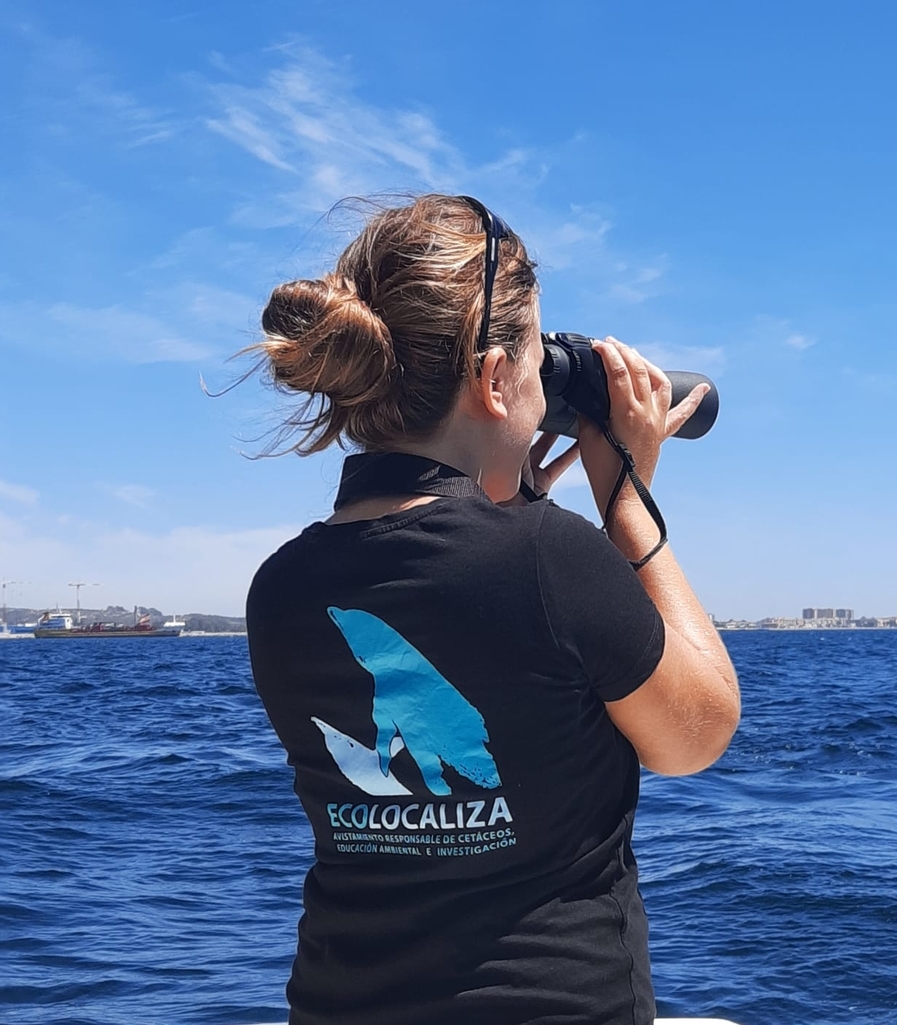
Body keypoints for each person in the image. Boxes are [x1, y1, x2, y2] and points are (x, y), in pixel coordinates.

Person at [245, 193, 740, 1025]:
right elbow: (697, 735)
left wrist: (502, 505)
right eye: (539, 362)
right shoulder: (551, 557)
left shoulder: (281, 586)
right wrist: (624, 501)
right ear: (495, 378)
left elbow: (451, 581)